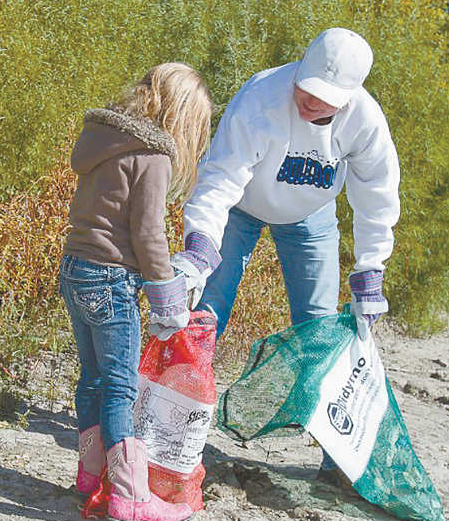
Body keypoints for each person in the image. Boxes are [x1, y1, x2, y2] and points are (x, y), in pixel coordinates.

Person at [171, 28, 400, 481]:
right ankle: (173, 431)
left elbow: (377, 196)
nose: (311, 101)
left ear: (350, 96)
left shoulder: (366, 122)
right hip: (239, 208)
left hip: (311, 216)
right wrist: (198, 248)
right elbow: (220, 178)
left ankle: (337, 460)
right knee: (204, 315)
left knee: (319, 329)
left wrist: (371, 271)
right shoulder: (260, 98)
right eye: (307, 87)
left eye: (326, 97)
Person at [59, 63, 212, 521]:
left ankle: (91, 477)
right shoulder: (152, 154)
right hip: (111, 279)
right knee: (121, 388)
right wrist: (169, 300)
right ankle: (129, 497)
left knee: (93, 378)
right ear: (181, 115)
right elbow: (148, 235)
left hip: (76, 269)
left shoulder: (105, 139)